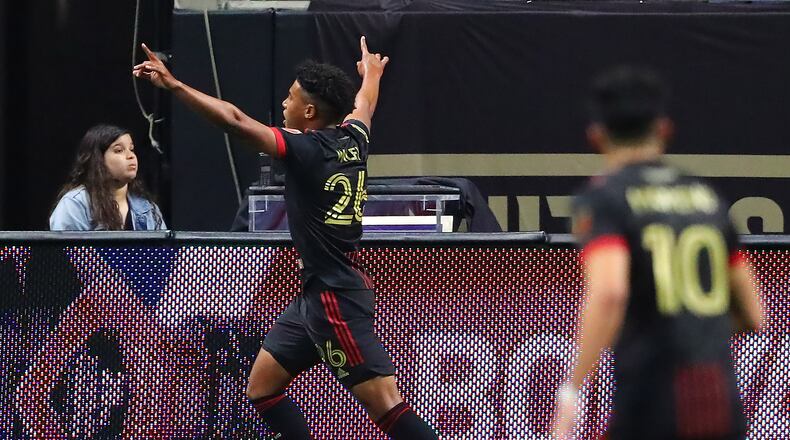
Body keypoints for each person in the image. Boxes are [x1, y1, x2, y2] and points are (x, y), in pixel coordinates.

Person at [134, 37, 438, 439]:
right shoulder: (354, 139)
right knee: (262, 388)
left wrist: (174, 86)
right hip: (312, 298)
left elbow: (235, 122)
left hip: (335, 299)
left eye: (290, 98)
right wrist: (373, 74)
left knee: (387, 408)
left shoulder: (304, 149)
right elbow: (364, 105)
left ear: (309, 112)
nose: (283, 104)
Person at [554, 67, 763, 439]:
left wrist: (573, 388)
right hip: (718, 399)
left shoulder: (605, 198)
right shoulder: (707, 198)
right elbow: (753, 315)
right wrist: (697, 328)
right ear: (664, 129)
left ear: (596, 136)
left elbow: (609, 292)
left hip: (652, 396)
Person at [50, 124, 166, 231]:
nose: (131, 156)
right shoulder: (76, 204)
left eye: (131, 149)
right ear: (98, 159)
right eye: (119, 150)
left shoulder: (148, 209)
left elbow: (163, 251)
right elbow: (67, 251)